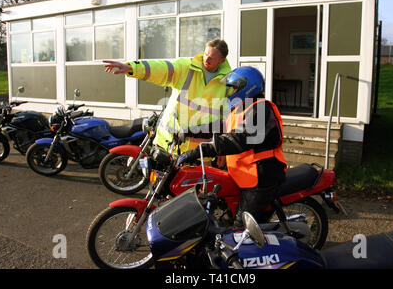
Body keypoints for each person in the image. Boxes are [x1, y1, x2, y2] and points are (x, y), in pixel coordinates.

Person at [177, 66, 288, 227]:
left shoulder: (262, 108)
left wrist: (204, 149)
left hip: (263, 176)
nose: (230, 92)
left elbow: (240, 138)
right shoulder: (242, 108)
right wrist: (188, 132)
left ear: (246, 87)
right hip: (244, 174)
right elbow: (220, 128)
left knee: (240, 226)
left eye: (234, 88)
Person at [103, 39, 232, 153]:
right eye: (205, 54)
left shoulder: (227, 81)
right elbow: (162, 68)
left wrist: (222, 148)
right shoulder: (187, 67)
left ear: (222, 60)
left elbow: (226, 116)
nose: (206, 59)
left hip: (202, 150)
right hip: (172, 143)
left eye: (212, 58)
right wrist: (132, 68)